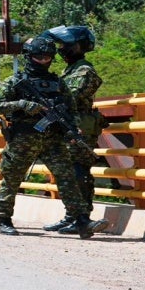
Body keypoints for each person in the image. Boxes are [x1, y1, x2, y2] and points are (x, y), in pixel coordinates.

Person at [0, 36, 93, 238]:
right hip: (24, 139)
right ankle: (4, 219)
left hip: (53, 138)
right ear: (29, 57)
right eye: (39, 57)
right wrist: (22, 105)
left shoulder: (58, 83)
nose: (44, 61)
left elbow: (71, 110)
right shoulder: (15, 81)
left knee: (67, 177)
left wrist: (73, 128)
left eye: (48, 57)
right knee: (12, 179)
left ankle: (81, 220)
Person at [40, 25, 109, 235]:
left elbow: (72, 96)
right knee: (67, 173)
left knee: (79, 172)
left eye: (65, 45)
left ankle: (83, 217)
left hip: (80, 128)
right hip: (66, 126)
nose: (61, 49)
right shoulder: (69, 70)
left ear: (77, 46)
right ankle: (72, 215)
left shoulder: (84, 70)